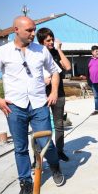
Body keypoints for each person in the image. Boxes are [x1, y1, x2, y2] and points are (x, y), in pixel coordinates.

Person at [0, 16, 65, 194]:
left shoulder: (41, 50)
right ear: (16, 30)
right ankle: (25, 183)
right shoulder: (1, 52)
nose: (33, 33)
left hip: (38, 105)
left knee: (46, 142)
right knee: (20, 147)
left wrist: (53, 92)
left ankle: (55, 167)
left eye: (34, 29)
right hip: (15, 107)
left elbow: (55, 71)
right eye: (29, 30)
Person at [36, 28, 71, 161]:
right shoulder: (36, 54)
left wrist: (59, 49)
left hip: (59, 94)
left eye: (52, 39)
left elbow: (67, 67)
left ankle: (59, 151)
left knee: (59, 125)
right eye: (48, 40)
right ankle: (38, 155)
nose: (51, 42)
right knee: (40, 127)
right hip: (41, 95)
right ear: (41, 42)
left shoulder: (56, 53)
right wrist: (43, 81)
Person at [88, 45, 98, 115]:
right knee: (96, 96)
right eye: (96, 51)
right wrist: (89, 81)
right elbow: (87, 71)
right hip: (93, 82)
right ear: (92, 52)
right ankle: (97, 109)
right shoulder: (89, 60)